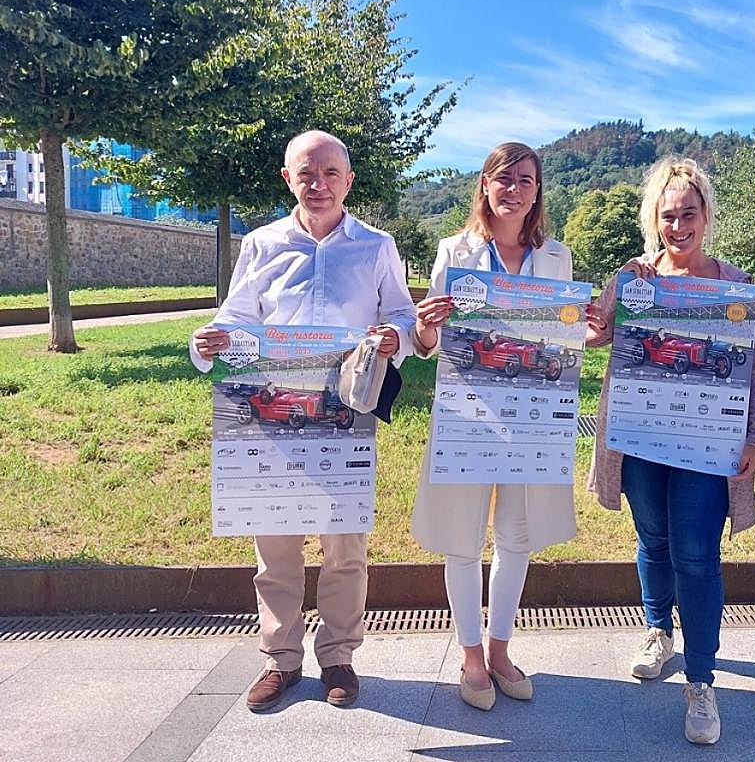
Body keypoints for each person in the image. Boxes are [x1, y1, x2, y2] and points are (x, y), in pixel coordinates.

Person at [190, 129, 416, 712]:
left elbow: (403, 315)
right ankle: (281, 660)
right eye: (306, 174)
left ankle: (338, 656)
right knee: (277, 548)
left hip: (345, 415)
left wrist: (398, 336)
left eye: (330, 173)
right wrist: (209, 342)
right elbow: (236, 318)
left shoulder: (376, 246)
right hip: (273, 416)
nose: (319, 184)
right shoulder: (261, 243)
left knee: (345, 547)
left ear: (349, 180)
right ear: (287, 178)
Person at [409, 142, 601, 711]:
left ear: (538, 191)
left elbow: (561, 338)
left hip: (532, 418)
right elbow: (429, 342)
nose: (514, 189)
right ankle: (470, 656)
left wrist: (584, 333)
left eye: (525, 180)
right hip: (468, 414)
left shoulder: (558, 258)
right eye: (504, 178)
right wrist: (425, 327)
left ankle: (499, 649)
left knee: (517, 536)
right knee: (462, 538)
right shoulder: (454, 251)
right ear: (485, 185)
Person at [586, 156, 755, 745]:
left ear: (706, 216)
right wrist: (596, 319)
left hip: (708, 445)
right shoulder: (634, 278)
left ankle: (701, 679)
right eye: (668, 215)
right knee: (653, 540)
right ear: (654, 219)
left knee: (696, 556)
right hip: (641, 440)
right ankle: (658, 630)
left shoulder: (733, 283)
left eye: (689, 213)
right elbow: (595, 332)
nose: (678, 225)